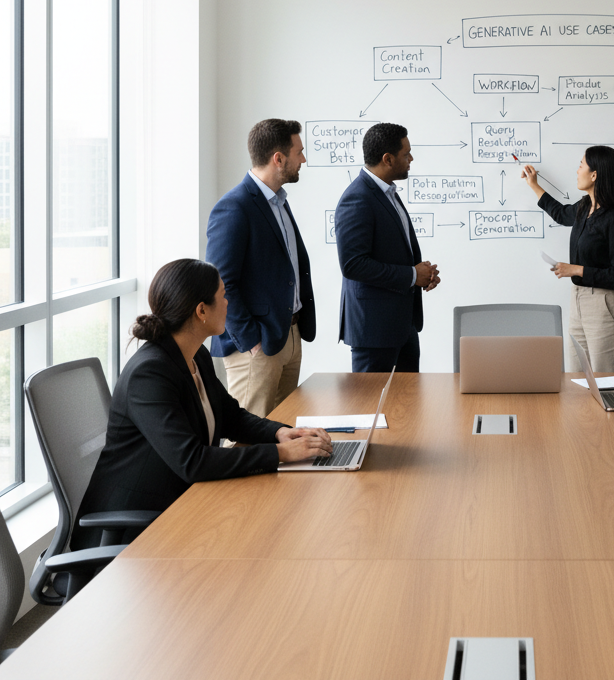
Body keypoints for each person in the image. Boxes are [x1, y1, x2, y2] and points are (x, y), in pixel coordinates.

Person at [73, 259, 332, 548]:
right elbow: (192, 461)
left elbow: (231, 417)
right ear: (201, 311)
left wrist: (281, 433)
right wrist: (280, 453)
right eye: (223, 295)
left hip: (182, 505)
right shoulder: (149, 374)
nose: (228, 302)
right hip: (133, 533)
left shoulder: (196, 355)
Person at [206, 119, 316, 417]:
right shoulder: (235, 206)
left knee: (282, 431)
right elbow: (220, 282)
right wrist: (252, 342)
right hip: (258, 346)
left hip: (288, 335)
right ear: (278, 158)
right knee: (247, 434)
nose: (303, 159)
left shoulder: (279, 202)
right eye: (299, 152)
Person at [335, 122, 439, 372]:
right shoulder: (357, 198)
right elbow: (353, 265)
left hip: (403, 326)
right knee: (371, 399)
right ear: (388, 159)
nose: (411, 159)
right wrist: (412, 275)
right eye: (406, 154)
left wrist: (422, 275)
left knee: (408, 397)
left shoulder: (387, 193)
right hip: (374, 332)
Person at [522, 145, 614, 373]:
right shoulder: (584, 207)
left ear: (594, 175)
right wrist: (534, 185)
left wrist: (576, 269)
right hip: (578, 301)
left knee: (607, 381)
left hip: (603, 304)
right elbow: (560, 213)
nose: (577, 170)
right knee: (577, 379)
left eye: (581, 165)